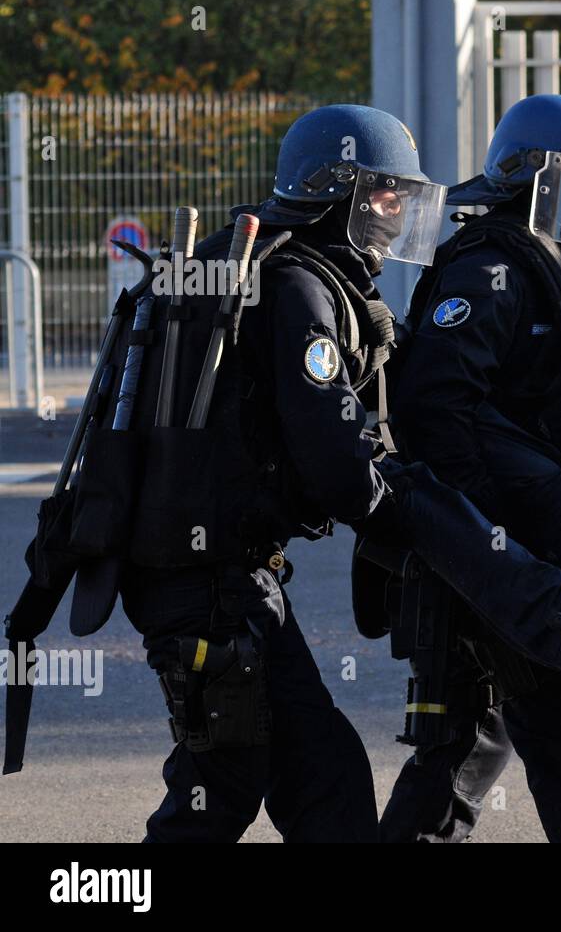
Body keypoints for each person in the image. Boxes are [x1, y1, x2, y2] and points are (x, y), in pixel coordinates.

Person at [12, 103, 444, 841]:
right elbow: (333, 457)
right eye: (383, 195)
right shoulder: (297, 288)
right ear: (336, 190)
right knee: (226, 784)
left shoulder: (260, 265)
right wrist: (421, 522)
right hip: (206, 582)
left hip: (211, 575)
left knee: (313, 775)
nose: (397, 213)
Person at [375, 93, 561, 843]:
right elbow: (434, 410)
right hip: (510, 551)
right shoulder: (492, 266)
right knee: (553, 750)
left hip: (545, 548)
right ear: (537, 182)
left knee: (479, 741)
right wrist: (487, 536)